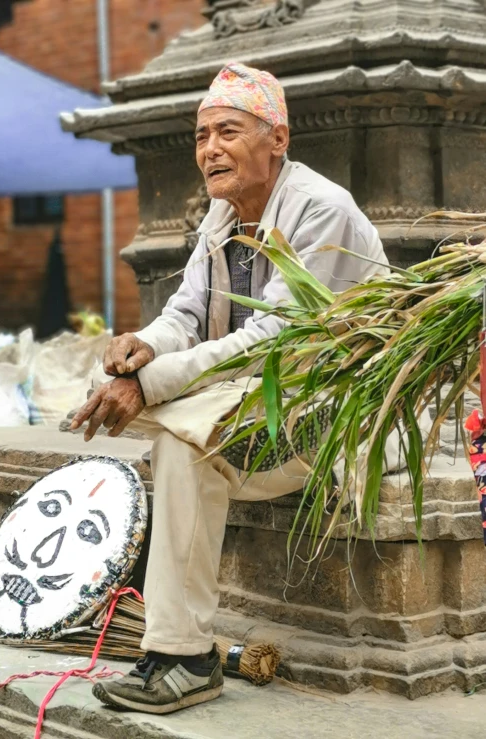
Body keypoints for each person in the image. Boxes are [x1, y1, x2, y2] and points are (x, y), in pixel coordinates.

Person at [71, 62, 388, 714]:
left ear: (277, 138)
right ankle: (181, 656)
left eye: (228, 131)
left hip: (323, 423)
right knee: (178, 442)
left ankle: (181, 656)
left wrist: (150, 386)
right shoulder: (222, 213)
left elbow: (274, 341)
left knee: (175, 428)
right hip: (251, 413)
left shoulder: (320, 210)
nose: (209, 148)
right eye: (200, 135)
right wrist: (145, 347)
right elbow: (187, 311)